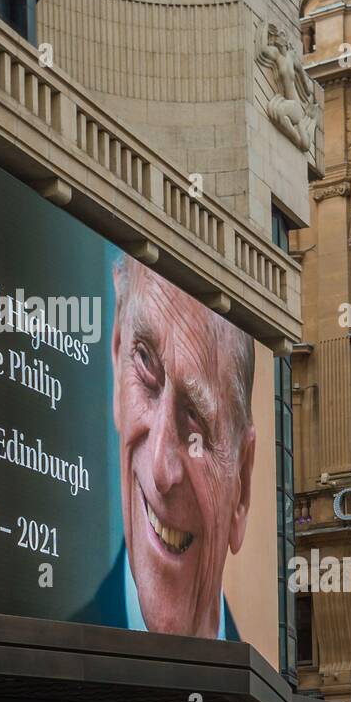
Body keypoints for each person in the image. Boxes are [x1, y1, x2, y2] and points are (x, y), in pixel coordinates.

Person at [77, 256, 256, 639]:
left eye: (196, 416)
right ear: (116, 348)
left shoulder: (263, 688)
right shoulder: (52, 663)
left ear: (242, 482)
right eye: (144, 363)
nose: (160, 468)